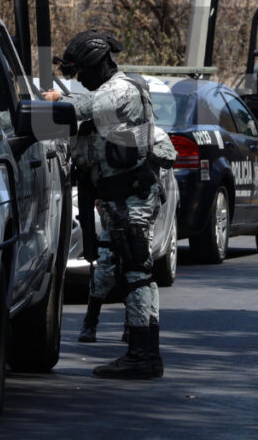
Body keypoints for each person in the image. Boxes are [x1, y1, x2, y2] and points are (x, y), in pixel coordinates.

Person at [43, 30, 165, 380]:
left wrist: (55, 100)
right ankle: (145, 354)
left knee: (137, 276)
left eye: (81, 71)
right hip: (120, 197)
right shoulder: (113, 90)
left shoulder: (123, 89)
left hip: (131, 199)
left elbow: (89, 107)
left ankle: (142, 355)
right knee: (137, 275)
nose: (80, 79)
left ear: (96, 63)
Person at [78, 124, 175, 360]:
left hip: (138, 208)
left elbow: (169, 156)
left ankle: (139, 333)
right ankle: (92, 321)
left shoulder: (150, 133)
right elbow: (83, 168)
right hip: (112, 209)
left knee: (139, 270)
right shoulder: (96, 134)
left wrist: (141, 150)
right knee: (105, 268)